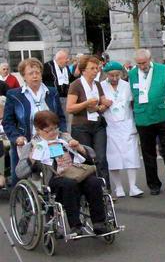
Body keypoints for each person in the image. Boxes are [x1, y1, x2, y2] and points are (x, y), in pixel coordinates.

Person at [15, 111, 108, 236]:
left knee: (94, 182)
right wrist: (31, 160)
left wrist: (80, 148)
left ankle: (99, 223)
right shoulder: (32, 146)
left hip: (75, 173)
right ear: (38, 130)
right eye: (48, 130)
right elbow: (19, 172)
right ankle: (75, 225)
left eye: (55, 128)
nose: (53, 132)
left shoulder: (64, 138)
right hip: (51, 180)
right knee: (69, 185)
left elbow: (92, 154)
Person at [3, 58, 67, 186]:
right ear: (23, 76)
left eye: (37, 72)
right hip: (26, 143)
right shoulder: (14, 95)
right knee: (21, 176)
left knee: (58, 172)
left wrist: (63, 133)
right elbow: (7, 122)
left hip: (52, 140)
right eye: (31, 73)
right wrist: (16, 137)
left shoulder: (52, 92)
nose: (35, 76)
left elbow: (60, 117)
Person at [129, 49, 165, 197]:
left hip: (163, 115)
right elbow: (130, 96)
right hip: (143, 118)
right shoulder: (132, 74)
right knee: (148, 154)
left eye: (144, 63)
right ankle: (153, 184)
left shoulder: (162, 69)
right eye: (139, 64)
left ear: (150, 59)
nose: (142, 66)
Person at [100, 61, 143, 199]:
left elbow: (132, 103)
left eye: (117, 75)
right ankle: (118, 187)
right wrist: (104, 105)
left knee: (131, 154)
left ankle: (133, 186)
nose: (114, 78)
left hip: (126, 123)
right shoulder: (101, 87)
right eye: (111, 75)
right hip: (110, 125)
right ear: (106, 74)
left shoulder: (126, 85)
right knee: (113, 157)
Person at [66, 55, 111, 186]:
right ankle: (89, 189)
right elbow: (69, 108)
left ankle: (105, 189)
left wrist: (101, 106)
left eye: (97, 68)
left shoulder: (97, 84)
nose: (96, 71)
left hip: (98, 125)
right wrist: (86, 103)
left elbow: (103, 103)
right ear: (83, 70)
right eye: (92, 68)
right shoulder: (76, 85)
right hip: (81, 127)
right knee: (86, 159)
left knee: (101, 158)